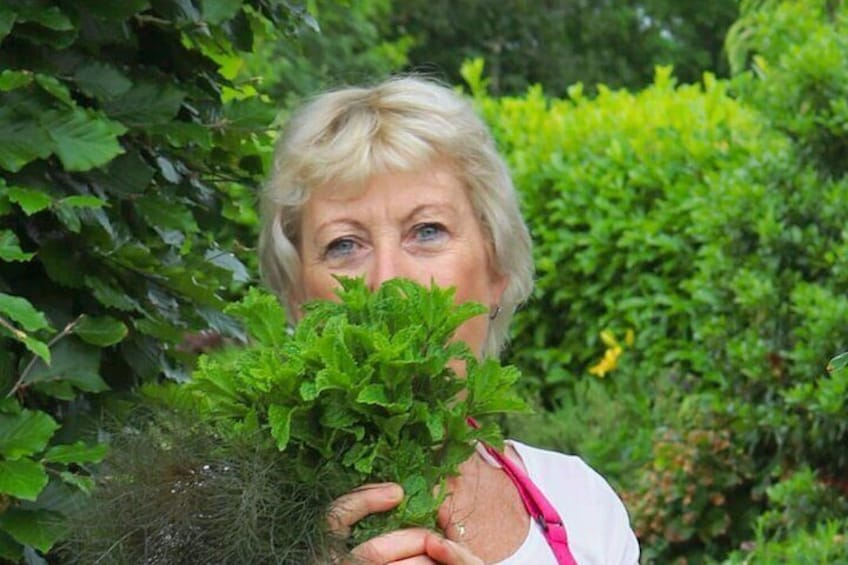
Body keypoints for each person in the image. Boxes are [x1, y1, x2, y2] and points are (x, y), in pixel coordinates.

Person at [259, 76, 640, 564]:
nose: (390, 281)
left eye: (427, 231)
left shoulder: (582, 502)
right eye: (344, 244)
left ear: (496, 268)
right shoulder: (232, 516)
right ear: (296, 298)